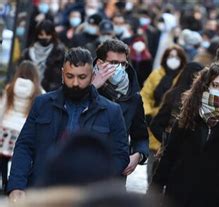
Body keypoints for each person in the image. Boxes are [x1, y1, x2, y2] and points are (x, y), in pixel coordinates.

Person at [7, 48, 129, 202]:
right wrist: (17, 185)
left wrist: (98, 183)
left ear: (92, 76)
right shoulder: (43, 104)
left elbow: (120, 155)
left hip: (85, 197)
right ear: (62, 73)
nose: (75, 83)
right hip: (41, 192)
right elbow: (24, 145)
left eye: (82, 77)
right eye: (70, 76)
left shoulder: (111, 111)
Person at [152, 64, 219, 207]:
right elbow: (168, 157)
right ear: (206, 86)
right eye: (215, 85)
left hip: (212, 199)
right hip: (178, 196)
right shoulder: (187, 118)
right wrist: (153, 195)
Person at [91, 39, 149, 176]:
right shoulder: (83, 83)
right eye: (114, 63)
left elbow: (140, 136)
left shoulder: (133, 96)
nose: (119, 68)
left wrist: (138, 155)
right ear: (100, 63)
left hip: (114, 174)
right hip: (84, 170)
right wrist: (92, 88)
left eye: (123, 64)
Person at [141, 45, 188, 166]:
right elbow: (145, 95)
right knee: (153, 165)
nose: (173, 59)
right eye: (171, 56)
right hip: (155, 122)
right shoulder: (156, 74)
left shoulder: (184, 77)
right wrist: (147, 113)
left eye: (177, 57)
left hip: (174, 123)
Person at [0, 61, 43, 189]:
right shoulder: (38, 91)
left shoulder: (10, 87)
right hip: (22, 129)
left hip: (6, 127)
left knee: (3, 158)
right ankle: (12, 183)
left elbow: (2, 108)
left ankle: (3, 181)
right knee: (18, 159)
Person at [21, 19, 65, 91]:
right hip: (29, 91)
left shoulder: (59, 53)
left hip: (50, 94)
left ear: (52, 34)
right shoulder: (28, 53)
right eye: (41, 34)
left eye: (47, 34)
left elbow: (59, 78)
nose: (44, 37)